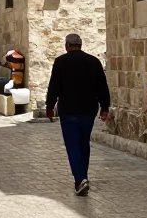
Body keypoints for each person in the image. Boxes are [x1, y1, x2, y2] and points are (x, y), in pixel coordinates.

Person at [46, 33, 111, 196]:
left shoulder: (60, 62)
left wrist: (49, 106)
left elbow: (54, 86)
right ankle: (82, 177)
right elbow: (102, 86)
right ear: (80, 45)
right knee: (83, 143)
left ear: (67, 45)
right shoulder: (94, 62)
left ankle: (80, 178)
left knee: (72, 145)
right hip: (88, 110)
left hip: (68, 110)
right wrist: (105, 106)